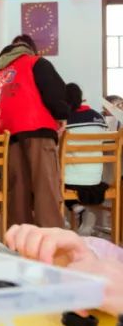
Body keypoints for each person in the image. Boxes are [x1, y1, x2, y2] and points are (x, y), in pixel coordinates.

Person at [0, 34, 69, 228]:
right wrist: (62, 115)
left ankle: (20, 240)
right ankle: (50, 239)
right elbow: (55, 93)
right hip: (37, 128)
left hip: (9, 134)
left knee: (18, 189)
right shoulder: (36, 62)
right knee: (45, 185)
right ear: (30, 50)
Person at [62, 82, 112, 236]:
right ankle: (80, 211)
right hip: (95, 179)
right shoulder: (98, 116)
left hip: (69, 179)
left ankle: (63, 218)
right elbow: (105, 141)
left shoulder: (64, 120)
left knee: (47, 177)